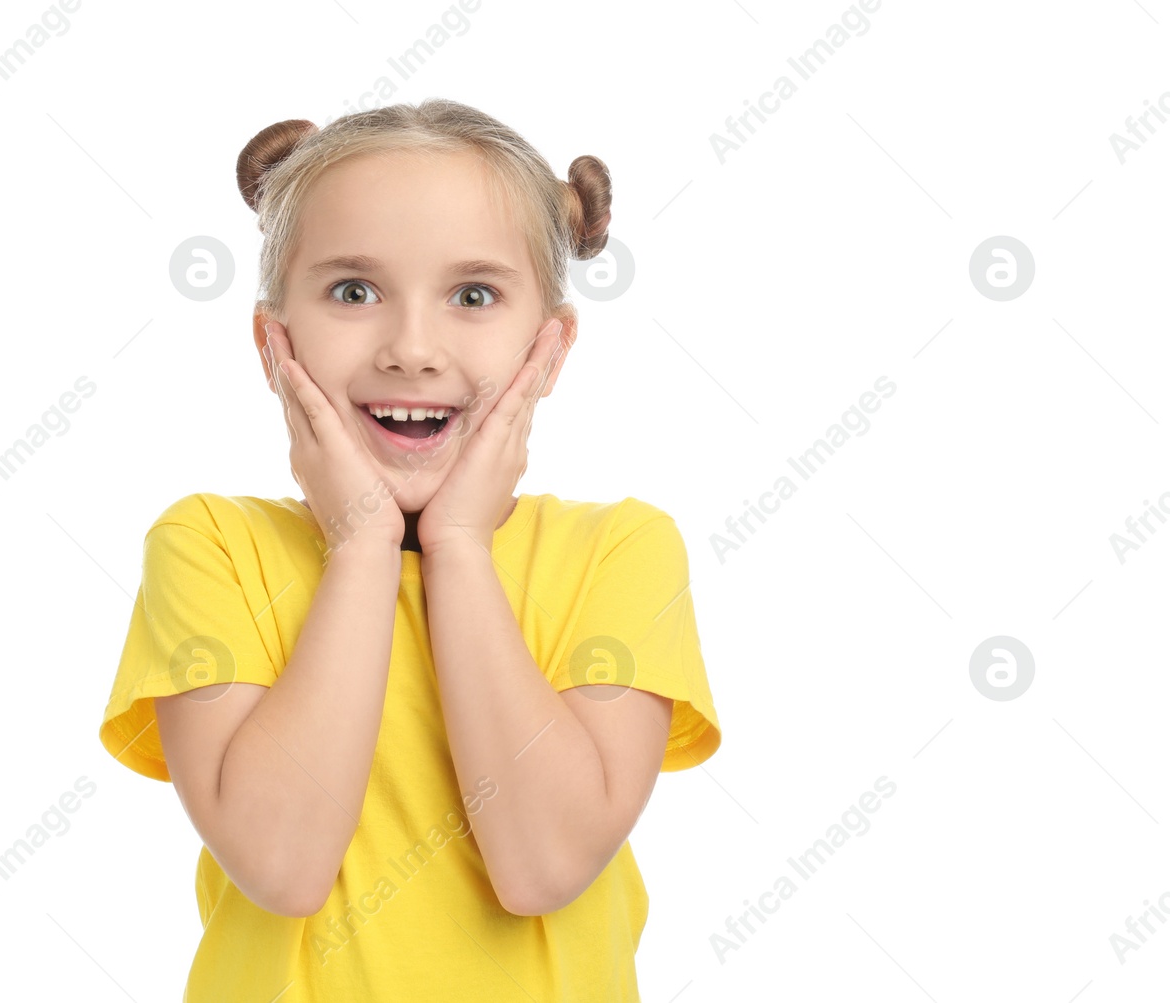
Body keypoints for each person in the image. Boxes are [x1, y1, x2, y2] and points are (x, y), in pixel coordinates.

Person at [98, 98, 721, 1001]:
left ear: (551, 350)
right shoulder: (211, 546)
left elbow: (543, 865)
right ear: (275, 344)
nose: (413, 349)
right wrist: (359, 544)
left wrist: (460, 547)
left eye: (474, 295)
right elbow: (282, 864)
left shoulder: (621, 550)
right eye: (354, 291)